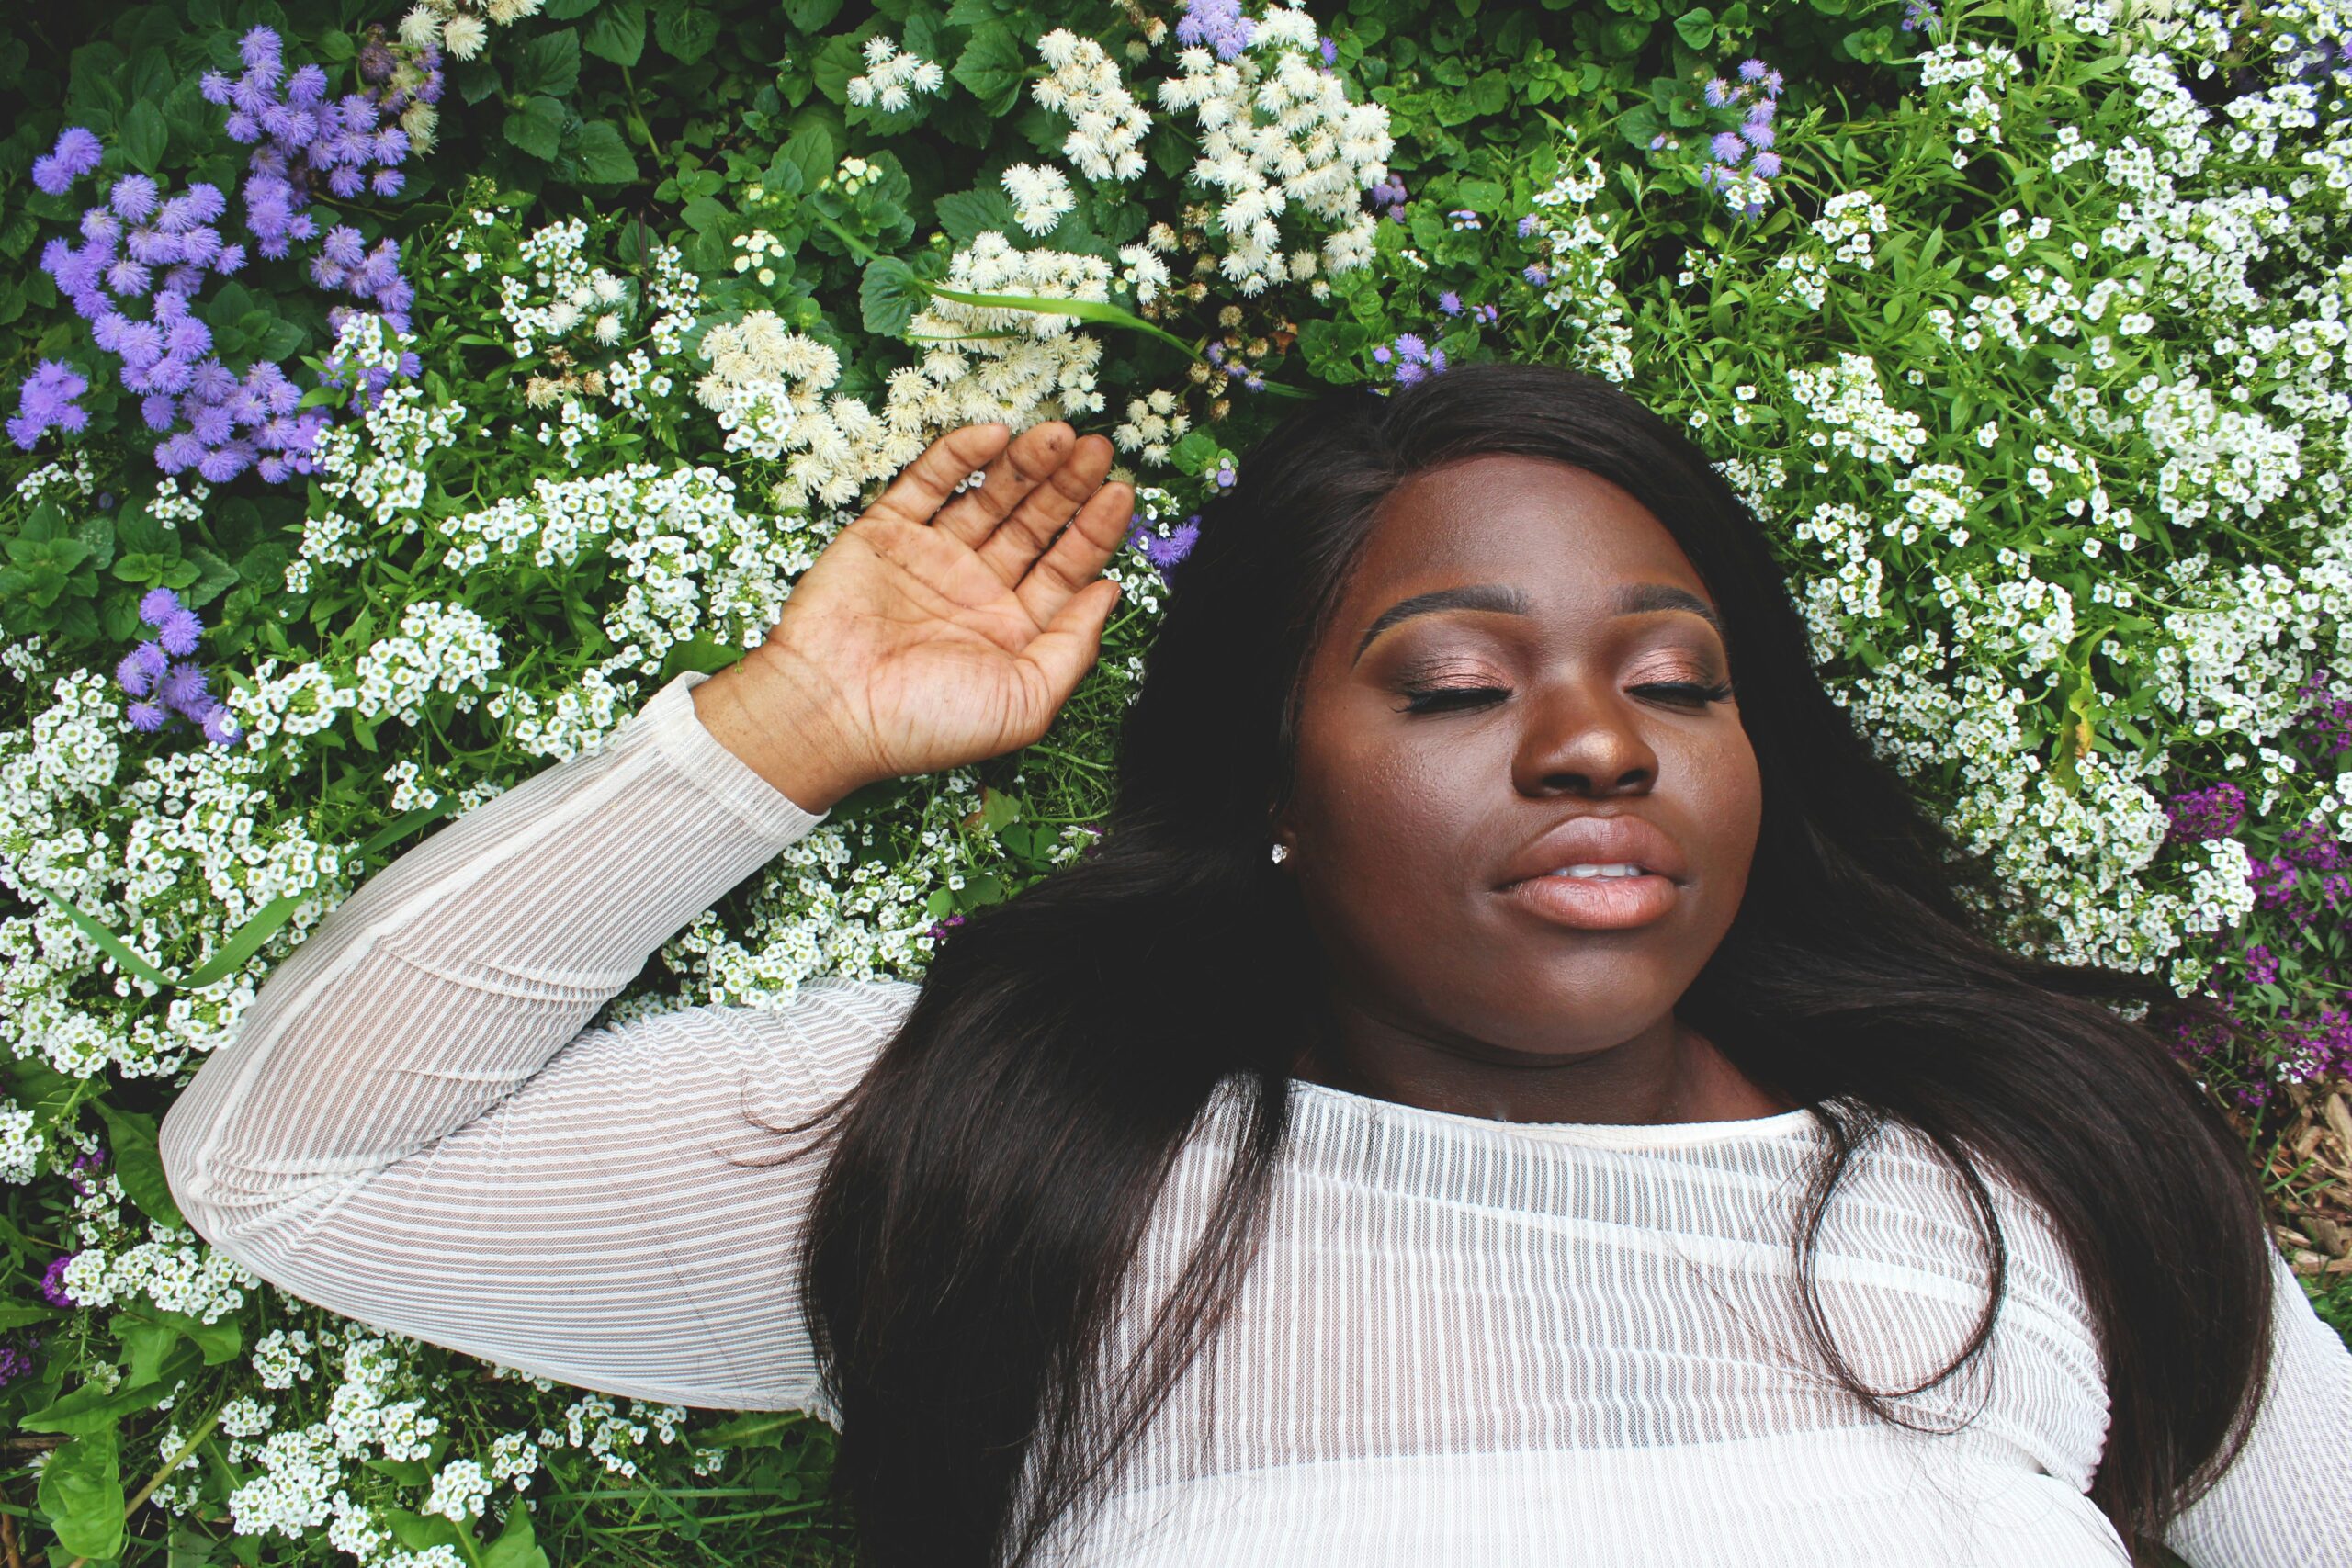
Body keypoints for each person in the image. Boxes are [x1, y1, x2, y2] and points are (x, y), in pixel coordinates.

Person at [158, 362, 2350, 1568]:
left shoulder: (2034, 1189)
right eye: (1452, 684)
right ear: (1267, 787)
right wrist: (773, 737)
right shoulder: (1016, 1163)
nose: (1595, 739)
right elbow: (291, 1165)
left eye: (1674, 681)